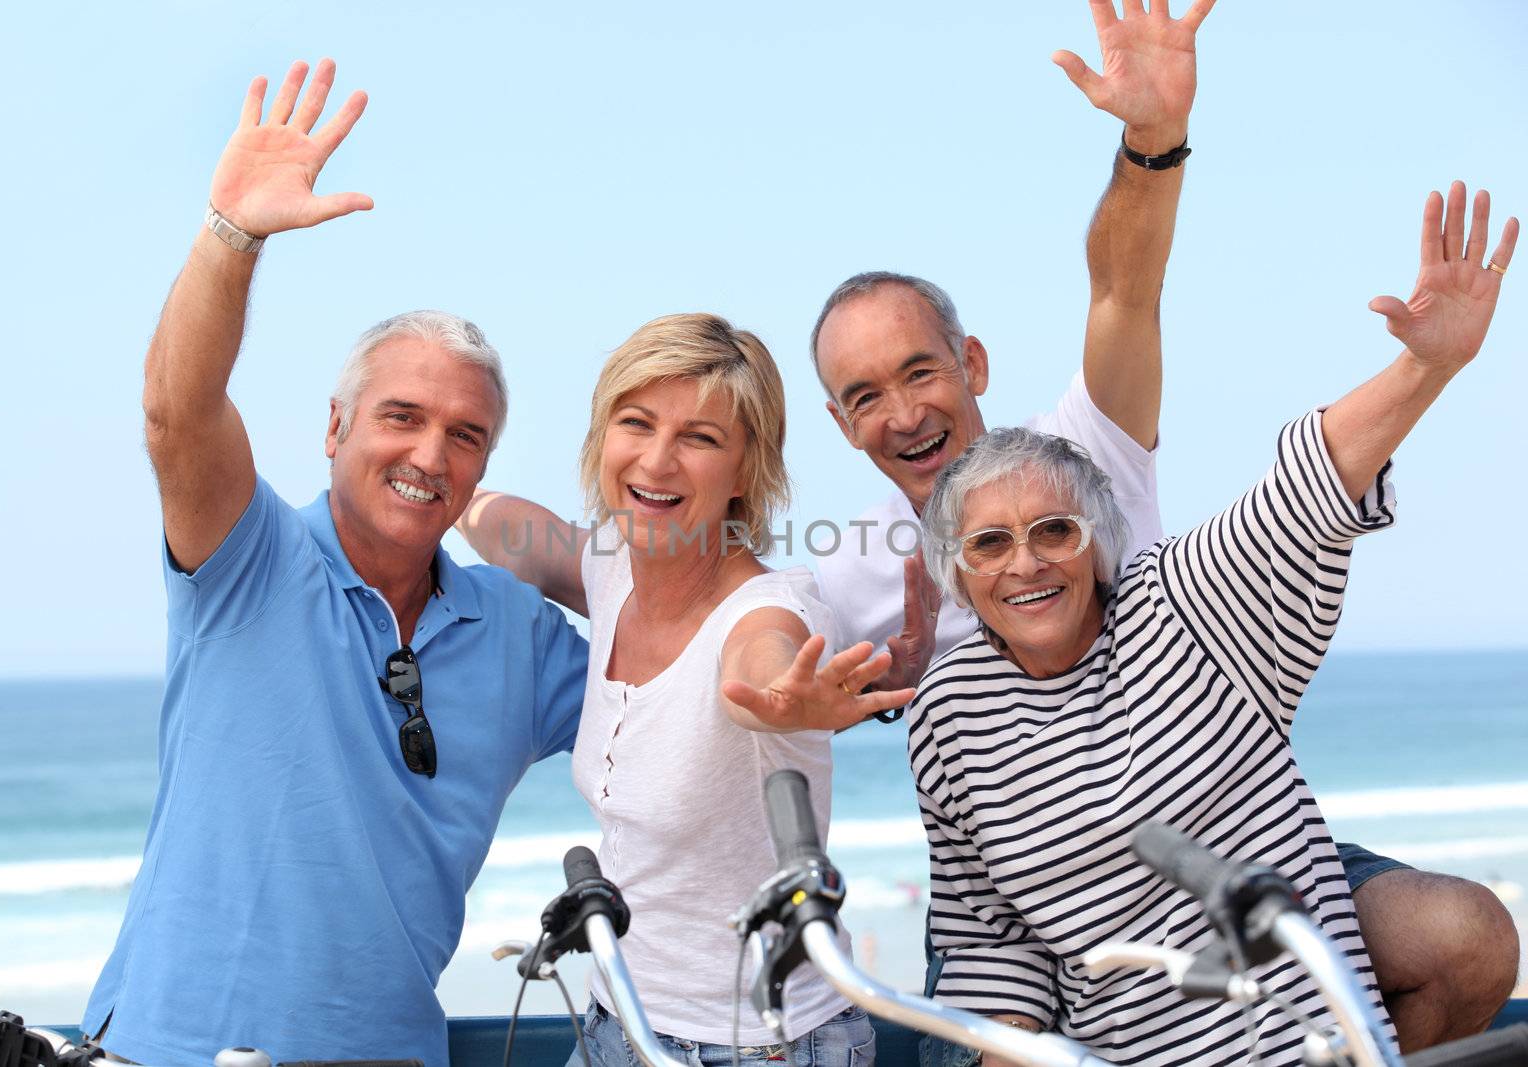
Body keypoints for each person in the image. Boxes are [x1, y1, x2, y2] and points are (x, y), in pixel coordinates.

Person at [807, 1, 1518, 1052]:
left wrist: (1151, 141)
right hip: (1049, 901)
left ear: (974, 365)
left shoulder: (1125, 513)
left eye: (920, 370)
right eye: (867, 394)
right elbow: (729, 632)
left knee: (1456, 934)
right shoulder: (883, 612)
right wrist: (801, 696)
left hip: (1218, 836)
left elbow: (1281, 459)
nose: (904, 411)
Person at [82, 61, 588, 1067]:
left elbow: (667, 666)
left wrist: (574, 564)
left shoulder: (523, 640)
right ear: (334, 425)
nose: (429, 454)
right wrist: (232, 235)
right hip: (165, 1050)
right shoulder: (248, 557)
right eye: (401, 416)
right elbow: (176, 413)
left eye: (465, 434)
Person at [460, 314, 909, 1066]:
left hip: (760, 1047)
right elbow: (515, 530)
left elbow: (760, 658)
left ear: (744, 472)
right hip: (618, 1018)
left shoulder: (769, 607)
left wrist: (784, 695)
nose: (658, 460)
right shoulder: (615, 567)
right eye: (635, 423)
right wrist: (446, 496)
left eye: (700, 437)